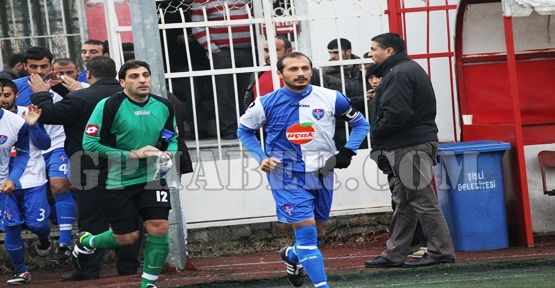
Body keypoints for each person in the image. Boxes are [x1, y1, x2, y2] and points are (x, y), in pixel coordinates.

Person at [237, 52, 369, 288]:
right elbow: (244, 130)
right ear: (280, 74)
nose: (300, 73)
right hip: (286, 175)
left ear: (311, 70)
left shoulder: (332, 98)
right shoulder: (265, 103)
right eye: (293, 69)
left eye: (305, 68)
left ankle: (291, 254)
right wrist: (261, 157)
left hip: (323, 172)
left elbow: (361, 124)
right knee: (307, 235)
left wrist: (347, 151)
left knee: (317, 234)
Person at [31, 56, 143, 280]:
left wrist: (41, 93)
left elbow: (51, 114)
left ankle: (89, 269)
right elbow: (80, 105)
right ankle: (129, 266)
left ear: (88, 74)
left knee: (92, 218)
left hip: (87, 164)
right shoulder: (130, 96)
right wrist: (69, 91)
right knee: (129, 215)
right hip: (126, 162)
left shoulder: (82, 97)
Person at [73, 60, 177, 288]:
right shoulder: (108, 105)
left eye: (145, 75)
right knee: (128, 237)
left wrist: (168, 154)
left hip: (150, 179)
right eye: (134, 76)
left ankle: (148, 283)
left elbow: (171, 137)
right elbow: (89, 144)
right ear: (122, 82)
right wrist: (133, 154)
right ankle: (87, 241)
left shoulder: (164, 106)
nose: (142, 80)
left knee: (159, 226)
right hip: (113, 180)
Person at [363, 33, 455, 268]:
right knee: (405, 202)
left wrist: (375, 132)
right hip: (411, 144)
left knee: (423, 200)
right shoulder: (405, 70)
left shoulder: (399, 73)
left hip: (409, 146)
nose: (372, 53)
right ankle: (394, 254)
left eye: (374, 49)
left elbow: (397, 115)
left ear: (389, 51)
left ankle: (441, 251)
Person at [14, 46, 77, 261]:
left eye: (43, 66)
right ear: (24, 66)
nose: (39, 71)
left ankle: (65, 243)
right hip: (28, 150)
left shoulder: (63, 85)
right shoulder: (14, 88)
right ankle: (39, 236)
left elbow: (83, 102)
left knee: (59, 185)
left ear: (50, 65)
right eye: (33, 67)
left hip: (58, 144)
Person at [1, 79, 51, 285]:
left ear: (15, 95)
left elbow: (42, 145)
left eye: (6, 95)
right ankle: (22, 270)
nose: (2, 99)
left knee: (36, 224)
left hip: (31, 177)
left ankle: (44, 240)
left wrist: (34, 126)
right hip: (4, 186)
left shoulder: (24, 116)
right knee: (11, 226)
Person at [191, 0, 254, 139]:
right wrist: (213, 49)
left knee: (249, 90)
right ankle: (230, 129)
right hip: (222, 52)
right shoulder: (202, 2)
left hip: (249, 50)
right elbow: (197, 26)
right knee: (225, 92)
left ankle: (250, 126)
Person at [243, 36, 320, 112]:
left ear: (289, 51)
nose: (269, 54)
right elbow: (250, 100)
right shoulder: (257, 74)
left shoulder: (308, 73)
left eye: (276, 50)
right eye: (266, 50)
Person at [0, 91, 31, 284]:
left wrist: (13, 177)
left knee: (12, 226)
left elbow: (23, 153)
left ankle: (22, 271)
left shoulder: (16, 123)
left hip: (3, 184)